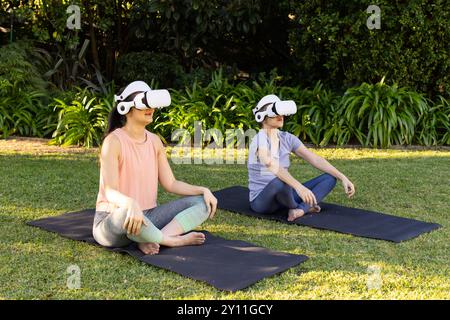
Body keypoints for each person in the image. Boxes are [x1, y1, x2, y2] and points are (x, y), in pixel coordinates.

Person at [93, 81, 217, 255]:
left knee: (203, 203)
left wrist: (203, 190)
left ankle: (151, 239)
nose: (150, 108)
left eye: (151, 103)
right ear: (126, 108)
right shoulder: (113, 142)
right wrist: (131, 204)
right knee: (124, 213)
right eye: (144, 104)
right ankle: (171, 240)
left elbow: (171, 183)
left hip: (148, 218)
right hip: (113, 221)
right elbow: (110, 191)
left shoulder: (155, 141)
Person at [248, 94, 356, 221]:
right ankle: (299, 206)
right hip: (262, 202)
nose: (280, 116)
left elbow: (315, 159)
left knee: (330, 177)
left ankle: (299, 209)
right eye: (275, 112)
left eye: (281, 112)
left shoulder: (287, 138)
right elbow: (272, 165)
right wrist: (299, 188)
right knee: (279, 181)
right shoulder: (258, 139)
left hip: (285, 195)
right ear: (262, 117)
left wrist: (342, 177)